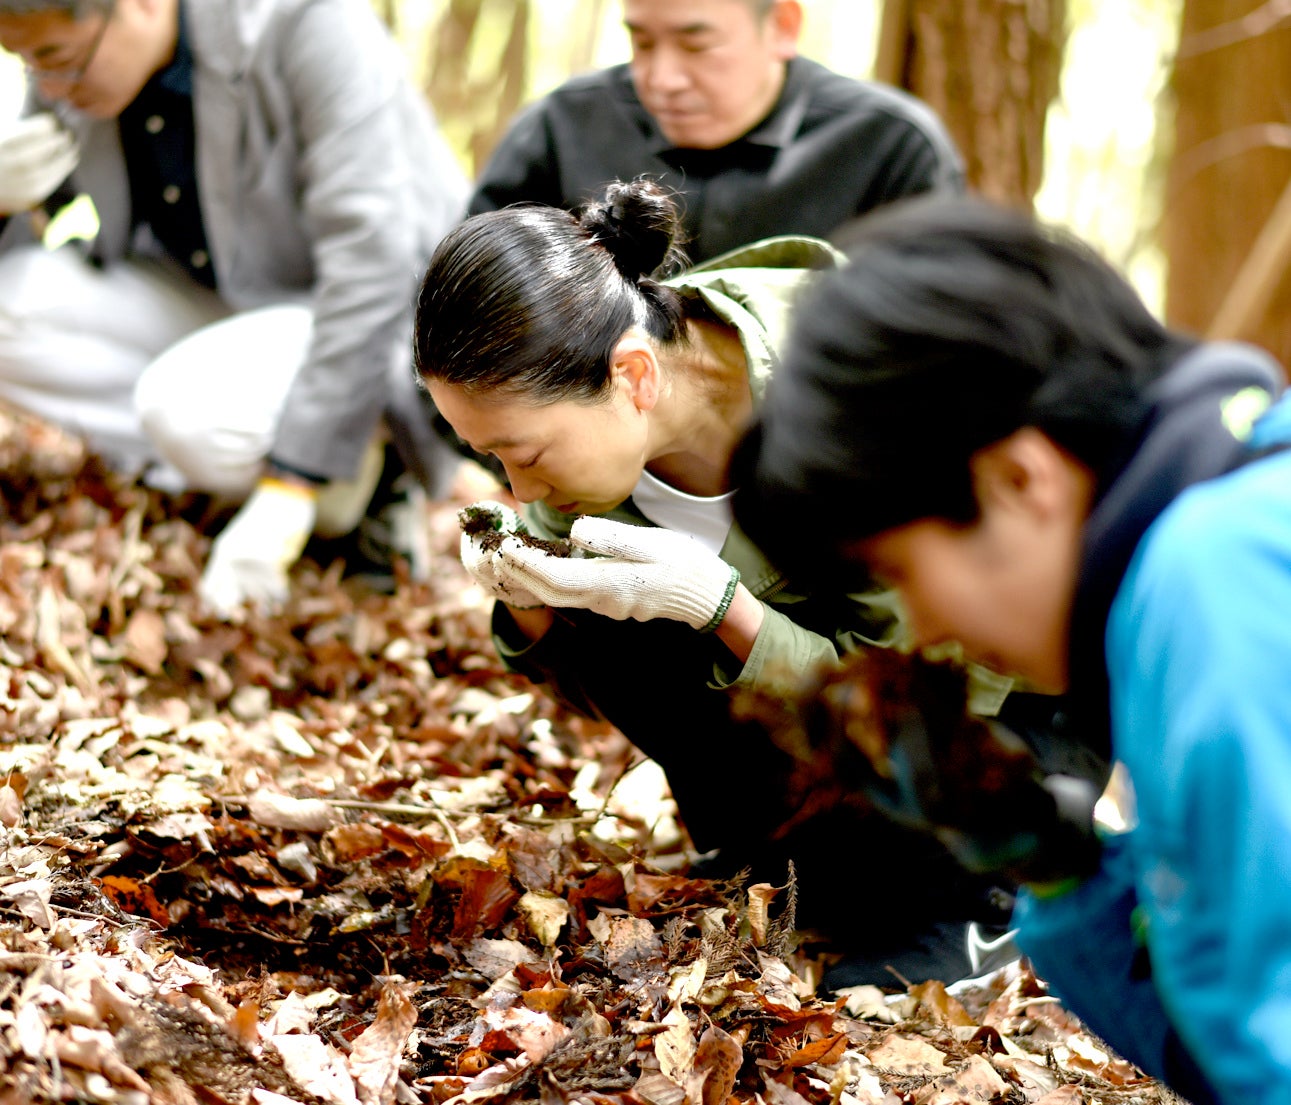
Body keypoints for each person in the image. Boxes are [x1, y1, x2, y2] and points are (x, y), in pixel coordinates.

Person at [730, 194, 1291, 1105]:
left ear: (1020, 477)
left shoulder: (1213, 579)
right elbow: (1228, 1036)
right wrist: (1060, 865)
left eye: (899, 570)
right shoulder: (1230, 533)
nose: (925, 629)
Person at [414, 176, 1027, 992]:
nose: (519, 488)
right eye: (490, 456)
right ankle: (779, 858)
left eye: (523, 453)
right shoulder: (588, 433)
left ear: (634, 375)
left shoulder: (865, 389)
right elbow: (608, 682)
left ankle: (981, 900)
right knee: (612, 606)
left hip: (999, 706)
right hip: (833, 741)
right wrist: (528, 602)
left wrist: (723, 607)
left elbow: (942, 688)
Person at [0, 0, 469, 613]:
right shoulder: (71, 77)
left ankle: (362, 472)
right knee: (11, 304)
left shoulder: (310, 23)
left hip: (369, 320)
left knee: (184, 408)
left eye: (57, 59)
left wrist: (293, 480)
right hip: (222, 304)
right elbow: (29, 233)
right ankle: (219, 461)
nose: (47, 89)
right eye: (28, 64)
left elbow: (373, 263)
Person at [468, 0, 963, 264]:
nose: (662, 79)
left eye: (697, 46)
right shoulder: (565, 124)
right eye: (642, 43)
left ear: (782, 26)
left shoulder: (889, 147)